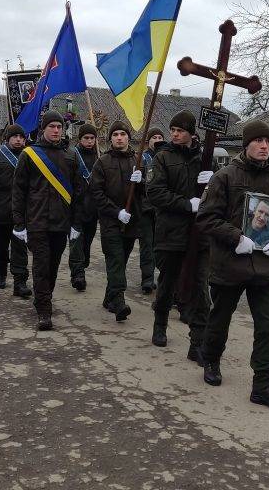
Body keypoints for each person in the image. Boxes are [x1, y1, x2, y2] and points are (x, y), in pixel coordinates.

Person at [197, 120, 269, 412]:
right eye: (258, 141)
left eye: (268, 141)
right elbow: (206, 217)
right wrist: (236, 238)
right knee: (220, 318)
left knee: (268, 326)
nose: (264, 146)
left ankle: (264, 385)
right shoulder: (225, 177)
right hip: (231, 264)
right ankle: (211, 358)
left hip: (267, 269)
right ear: (246, 144)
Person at [146, 110, 215, 363]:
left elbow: (219, 195)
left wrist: (212, 182)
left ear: (191, 134)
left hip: (199, 234)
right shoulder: (163, 157)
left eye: (180, 131)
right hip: (170, 231)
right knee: (168, 282)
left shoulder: (204, 159)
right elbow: (155, 192)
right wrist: (188, 204)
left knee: (200, 287)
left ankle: (197, 342)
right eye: (173, 130)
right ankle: (160, 325)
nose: (175, 134)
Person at [11, 111, 85, 331]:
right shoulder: (30, 154)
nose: (55, 130)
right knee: (41, 265)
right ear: (43, 128)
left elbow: (79, 192)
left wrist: (76, 222)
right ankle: (44, 309)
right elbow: (19, 191)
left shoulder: (71, 155)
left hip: (61, 222)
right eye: (51, 126)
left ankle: (44, 297)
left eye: (59, 127)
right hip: (37, 220)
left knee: (53, 265)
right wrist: (19, 223)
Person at [89, 120, 144, 322]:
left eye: (122, 134)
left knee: (121, 261)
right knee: (116, 259)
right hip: (110, 222)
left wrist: (142, 182)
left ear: (128, 137)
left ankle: (108, 298)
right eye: (115, 134)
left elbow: (147, 193)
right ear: (110, 138)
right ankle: (119, 301)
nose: (119, 137)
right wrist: (115, 212)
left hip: (131, 221)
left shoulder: (138, 161)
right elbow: (96, 193)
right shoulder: (102, 162)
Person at [0, 124, 32, 298]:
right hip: (1, 209)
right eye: (15, 137)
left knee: (20, 247)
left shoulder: (30, 155)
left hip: (23, 211)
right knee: (1, 245)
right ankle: (0, 273)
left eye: (21, 137)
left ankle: (20, 281)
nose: (19, 140)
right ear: (7, 138)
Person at [68, 123, 99, 291]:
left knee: (87, 243)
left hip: (93, 209)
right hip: (76, 207)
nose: (89, 141)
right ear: (80, 139)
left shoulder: (99, 157)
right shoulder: (73, 155)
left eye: (92, 138)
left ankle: (82, 265)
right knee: (76, 243)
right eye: (86, 138)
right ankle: (77, 275)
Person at [138, 127, 165, 294]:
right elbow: (137, 180)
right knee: (147, 245)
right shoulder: (143, 157)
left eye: (160, 136)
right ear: (148, 141)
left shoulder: (165, 157)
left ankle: (164, 281)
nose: (157, 139)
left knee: (161, 247)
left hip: (162, 210)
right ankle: (147, 279)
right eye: (154, 137)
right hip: (146, 209)